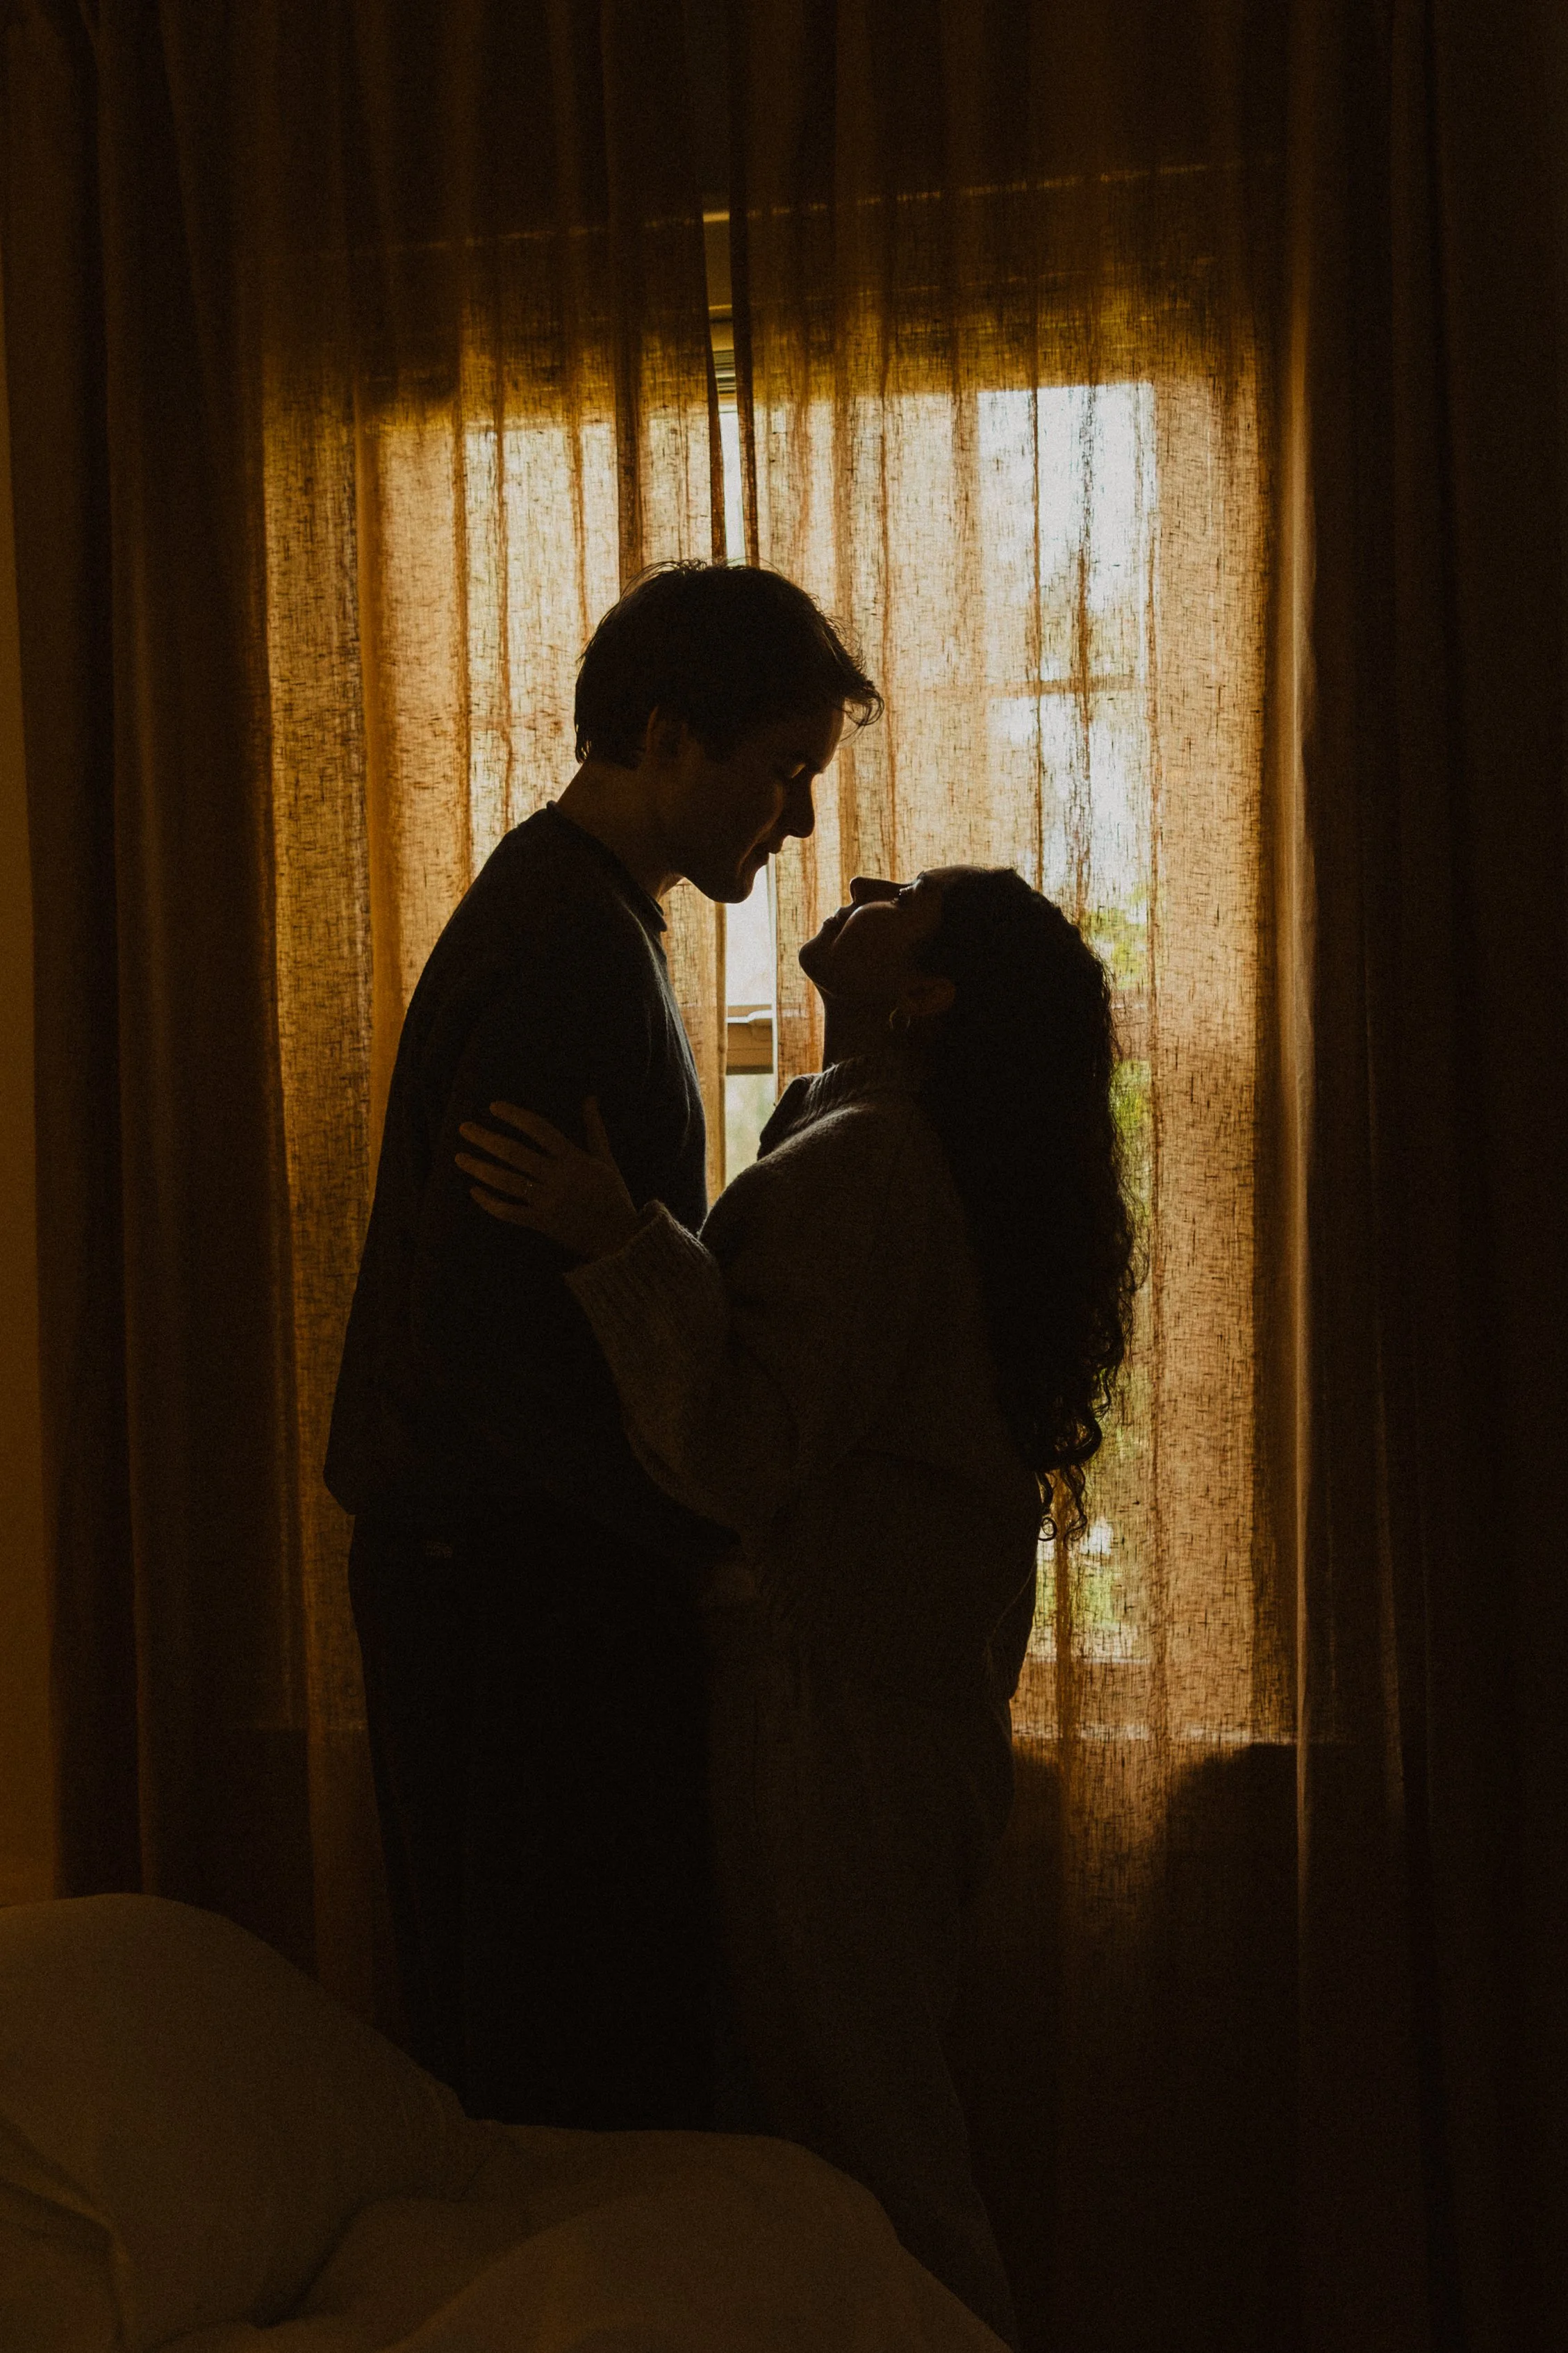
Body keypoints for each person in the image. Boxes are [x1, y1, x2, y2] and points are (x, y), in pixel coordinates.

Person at [456, 862, 1139, 2345]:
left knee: (865, 2136)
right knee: (851, 2118)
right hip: (899, 1713)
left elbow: (743, 1453)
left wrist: (611, 1236)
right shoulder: (887, 1147)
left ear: (922, 995)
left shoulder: (873, 1159)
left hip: (836, 1722)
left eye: (916, 899)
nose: (872, 877)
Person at [325, 561, 879, 2131]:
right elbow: (493, 1344)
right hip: (511, 1591)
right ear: (663, 737)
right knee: (559, 2059)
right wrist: (696, 1526)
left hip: (511, 1578)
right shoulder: (568, 947)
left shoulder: (580, 915)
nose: (796, 821)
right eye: (779, 771)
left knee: (566, 2043)